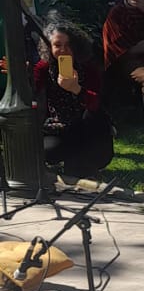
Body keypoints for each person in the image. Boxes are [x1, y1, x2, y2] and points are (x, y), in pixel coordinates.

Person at [33, 18, 114, 176]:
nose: (63, 50)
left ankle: (82, 161)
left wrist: (76, 89)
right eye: (58, 45)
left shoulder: (88, 68)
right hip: (59, 126)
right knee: (48, 151)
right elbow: (32, 89)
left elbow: (97, 105)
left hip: (89, 127)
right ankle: (73, 160)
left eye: (68, 45)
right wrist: (21, 74)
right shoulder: (44, 68)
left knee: (82, 161)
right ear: (49, 47)